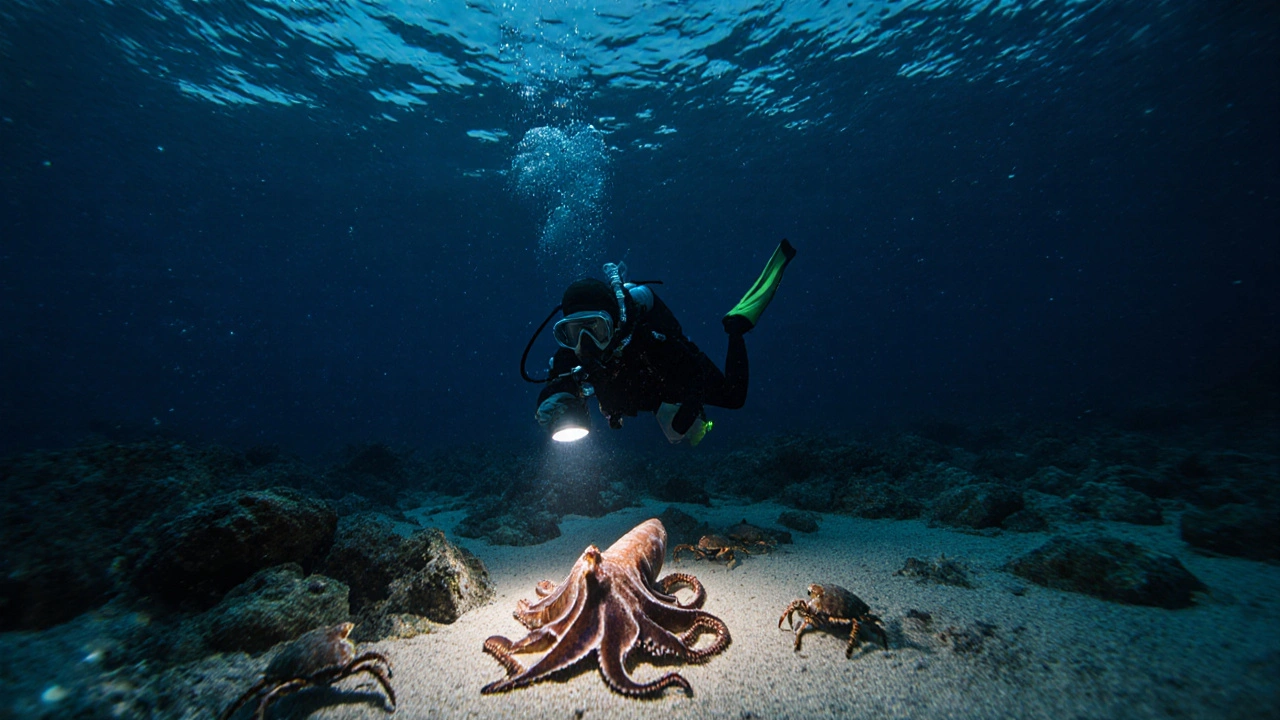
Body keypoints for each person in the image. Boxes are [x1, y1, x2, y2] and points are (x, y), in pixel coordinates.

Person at [525, 240, 796, 445]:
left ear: (613, 323)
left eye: (596, 327)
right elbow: (555, 390)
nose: (587, 342)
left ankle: (736, 325)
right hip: (636, 399)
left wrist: (688, 410)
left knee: (734, 397)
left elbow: (695, 374)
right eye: (573, 332)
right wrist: (552, 404)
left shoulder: (646, 336)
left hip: (667, 379)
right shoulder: (571, 356)